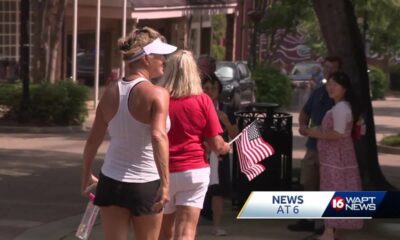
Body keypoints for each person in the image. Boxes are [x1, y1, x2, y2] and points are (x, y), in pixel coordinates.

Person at [81, 26, 177, 240]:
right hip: (145, 183)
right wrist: (166, 184)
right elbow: (158, 136)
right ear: (146, 58)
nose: (164, 59)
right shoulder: (157, 93)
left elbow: (92, 141)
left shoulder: (109, 93)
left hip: (111, 180)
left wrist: (86, 173)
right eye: (160, 55)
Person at [159, 50, 231, 240]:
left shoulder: (159, 99)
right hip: (194, 170)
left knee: (164, 231)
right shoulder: (203, 100)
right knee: (186, 231)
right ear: (194, 73)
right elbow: (216, 144)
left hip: (163, 171)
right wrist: (226, 147)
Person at [304, 72, 363, 240]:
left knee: (332, 190)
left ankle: (329, 231)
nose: (330, 88)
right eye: (329, 84)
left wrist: (313, 133)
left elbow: (337, 134)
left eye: (335, 85)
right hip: (338, 156)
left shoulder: (340, 108)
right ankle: (334, 231)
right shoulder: (342, 107)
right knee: (339, 190)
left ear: (344, 88)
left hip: (335, 158)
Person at [288, 56, 342, 234]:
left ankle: (326, 224)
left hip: (332, 148)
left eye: (334, 68)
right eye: (327, 68)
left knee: (327, 185)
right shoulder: (318, 91)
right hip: (313, 146)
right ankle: (308, 218)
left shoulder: (342, 96)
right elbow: (305, 111)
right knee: (309, 181)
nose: (330, 71)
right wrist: (303, 125)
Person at [202, 74, 239, 236]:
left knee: (218, 192)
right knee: (199, 192)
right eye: (206, 88)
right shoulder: (196, 105)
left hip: (220, 155)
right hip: (201, 154)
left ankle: (216, 226)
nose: (210, 91)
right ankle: (191, 227)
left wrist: (226, 122)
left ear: (219, 90)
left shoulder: (226, 109)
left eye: (214, 88)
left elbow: (236, 135)